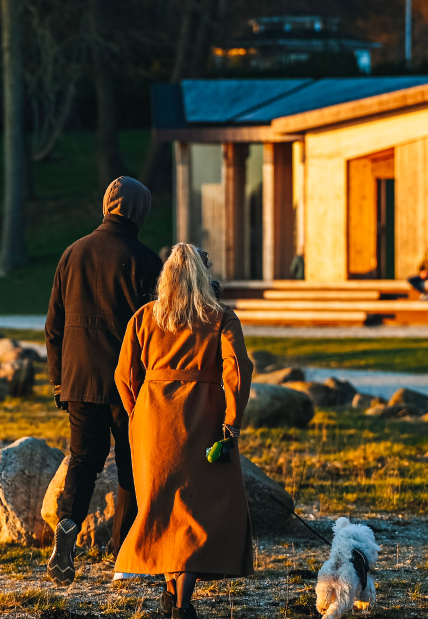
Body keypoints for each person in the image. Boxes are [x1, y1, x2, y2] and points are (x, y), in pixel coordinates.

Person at [113, 243, 255, 619]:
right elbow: (237, 374)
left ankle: (171, 593)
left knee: (162, 506)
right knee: (194, 511)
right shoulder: (221, 318)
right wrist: (231, 424)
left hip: (151, 421)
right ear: (203, 277)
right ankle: (181, 605)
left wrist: (137, 414)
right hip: (201, 421)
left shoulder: (145, 316)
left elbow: (124, 375)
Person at [45, 176, 162, 585]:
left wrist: (59, 380)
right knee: (132, 468)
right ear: (139, 211)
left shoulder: (71, 253)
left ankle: (67, 526)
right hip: (126, 383)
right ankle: (124, 555)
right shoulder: (146, 261)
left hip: (77, 379)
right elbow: (156, 331)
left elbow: (53, 325)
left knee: (83, 460)